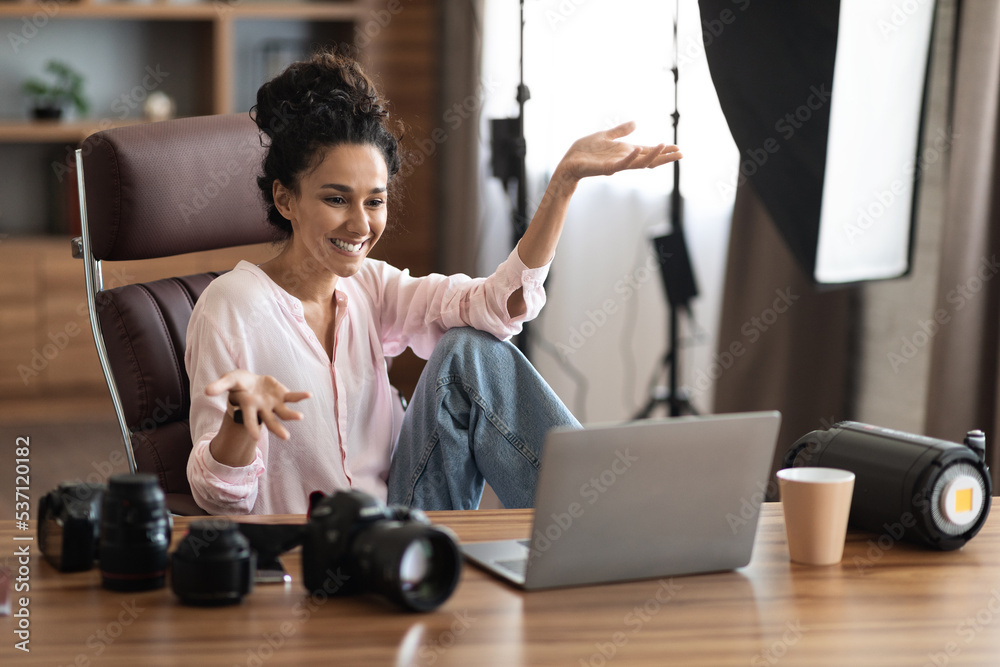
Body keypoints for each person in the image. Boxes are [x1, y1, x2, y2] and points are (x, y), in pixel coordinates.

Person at [185, 50, 682, 515]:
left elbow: (495, 305)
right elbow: (218, 498)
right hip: (310, 551)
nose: (360, 225)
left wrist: (562, 184)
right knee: (469, 348)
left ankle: (604, 517)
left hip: (399, 524)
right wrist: (239, 424)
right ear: (286, 199)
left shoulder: (370, 287)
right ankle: (610, 527)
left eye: (374, 201)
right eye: (336, 200)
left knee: (469, 349)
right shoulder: (230, 306)